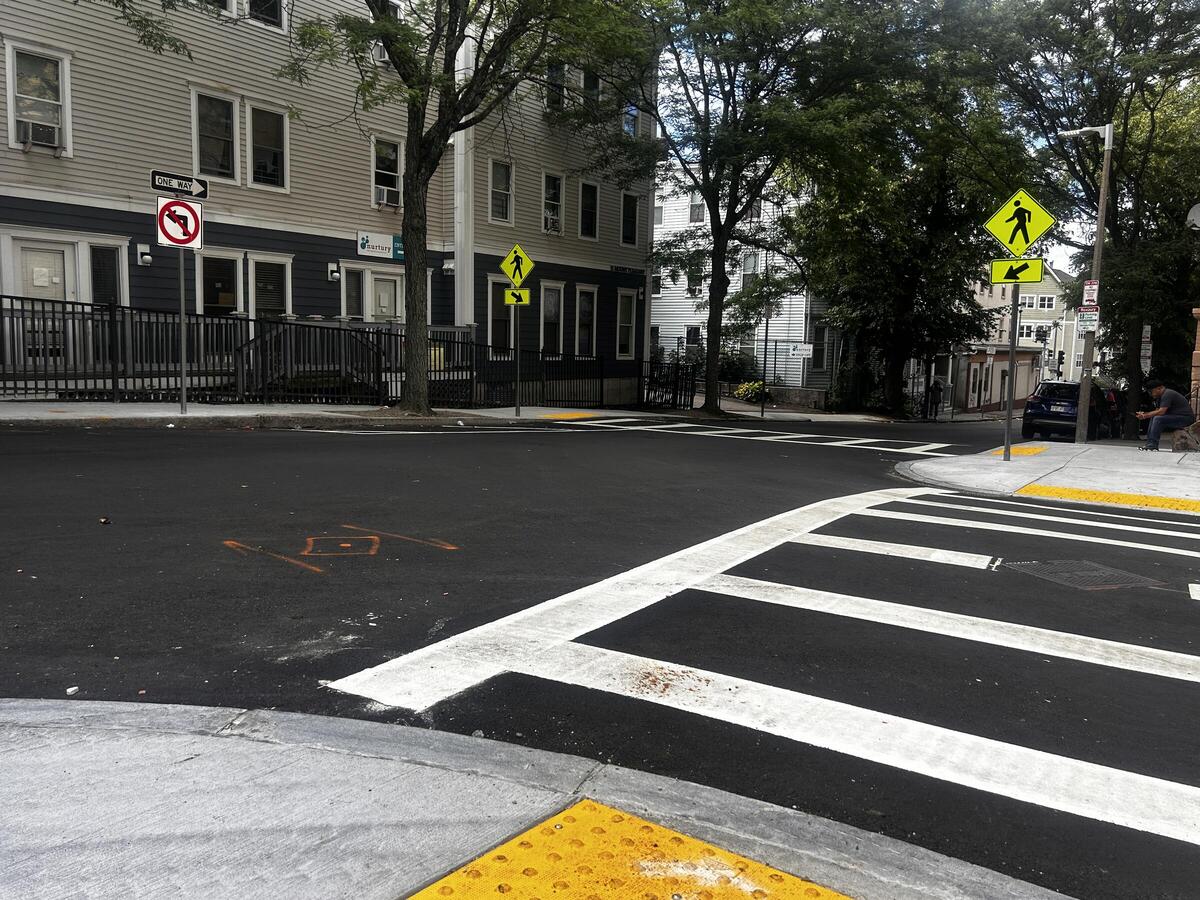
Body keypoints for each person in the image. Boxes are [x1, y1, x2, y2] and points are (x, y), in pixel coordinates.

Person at [1135, 380, 1196, 451]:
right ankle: (1149, 443)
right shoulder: (1160, 397)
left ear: (1159, 388)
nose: (1150, 394)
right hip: (1177, 417)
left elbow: (1161, 412)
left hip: (1186, 419)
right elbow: (1156, 411)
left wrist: (1145, 416)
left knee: (1158, 419)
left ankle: (1152, 444)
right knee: (1154, 417)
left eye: (1151, 391)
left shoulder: (1167, 394)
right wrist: (1145, 414)